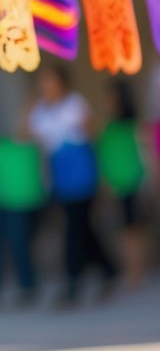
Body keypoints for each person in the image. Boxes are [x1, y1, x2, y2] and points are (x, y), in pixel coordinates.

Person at [24, 63, 117, 306]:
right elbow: (23, 133)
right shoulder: (41, 110)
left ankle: (73, 283)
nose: (45, 85)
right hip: (59, 176)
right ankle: (109, 270)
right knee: (83, 227)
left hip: (82, 174)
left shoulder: (74, 104)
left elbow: (92, 135)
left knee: (74, 228)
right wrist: (33, 103)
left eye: (49, 80)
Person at [104, 79, 146, 289]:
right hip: (117, 184)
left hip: (132, 181)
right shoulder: (111, 125)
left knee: (132, 228)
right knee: (125, 228)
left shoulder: (132, 124)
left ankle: (135, 272)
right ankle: (130, 271)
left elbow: (143, 152)